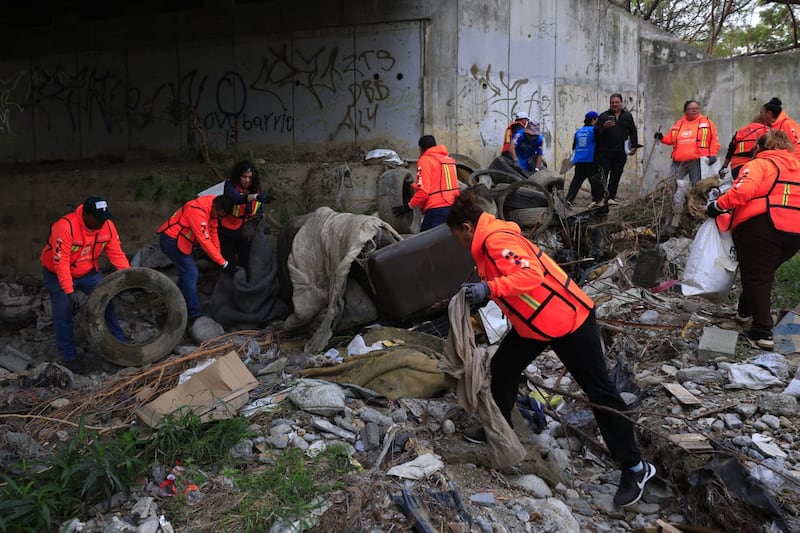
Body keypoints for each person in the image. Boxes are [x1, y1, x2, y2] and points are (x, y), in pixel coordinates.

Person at [448, 190, 656, 507]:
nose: (459, 245)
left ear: (466, 228)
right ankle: (498, 430)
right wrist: (485, 292)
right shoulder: (489, 246)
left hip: (569, 321)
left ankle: (635, 467)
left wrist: (489, 288)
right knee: (503, 368)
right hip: (536, 326)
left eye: (457, 238)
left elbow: (530, 274)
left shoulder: (495, 241)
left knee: (600, 393)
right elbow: (513, 285)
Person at [707, 130, 800, 349]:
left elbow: (742, 191)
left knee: (756, 276)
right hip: (795, 233)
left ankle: (762, 331)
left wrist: (717, 206)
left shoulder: (760, 164)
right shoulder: (796, 167)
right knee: (761, 273)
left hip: (764, 226)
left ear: (761, 147)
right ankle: (744, 310)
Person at [41, 197, 130, 374]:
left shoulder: (107, 225)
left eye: (104, 218)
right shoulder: (65, 226)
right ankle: (70, 357)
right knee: (63, 312)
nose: (102, 222)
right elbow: (61, 262)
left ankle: (120, 345)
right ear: (86, 215)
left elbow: (116, 253)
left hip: (88, 272)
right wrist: (69, 291)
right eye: (97, 218)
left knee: (106, 303)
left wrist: (130, 277)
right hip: (57, 274)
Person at [157, 195, 235, 323]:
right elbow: (205, 241)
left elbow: (213, 231)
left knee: (187, 275)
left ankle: (173, 302)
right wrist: (223, 263)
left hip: (181, 242)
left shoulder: (213, 207)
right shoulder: (197, 212)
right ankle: (195, 316)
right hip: (172, 241)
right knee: (191, 273)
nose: (220, 219)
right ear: (216, 207)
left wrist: (219, 258)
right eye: (220, 216)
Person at [656, 99, 720, 231]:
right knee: (671, 188)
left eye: (697, 108)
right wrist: (662, 137)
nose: (695, 110)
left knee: (698, 190)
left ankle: (697, 220)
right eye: (691, 109)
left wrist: (713, 154)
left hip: (696, 162)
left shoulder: (707, 123)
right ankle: (670, 221)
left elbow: (714, 140)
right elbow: (670, 139)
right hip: (678, 162)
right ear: (685, 111)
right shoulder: (679, 124)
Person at [394, 135, 460, 231]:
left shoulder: (425, 160)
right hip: (453, 206)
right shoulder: (448, 160)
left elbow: (423, 192)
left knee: (425, 243)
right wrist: (413, 185)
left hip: (436, 209)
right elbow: (440, 184)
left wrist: (408, 206)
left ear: (421, 148)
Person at [219, 160, 273, 274]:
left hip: (245, 232)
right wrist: (255, 197)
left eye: (249, 177)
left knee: (246, 264)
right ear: (238, 176)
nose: (247, 180)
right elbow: (237, 198)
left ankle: (244, 286)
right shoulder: (229, 186)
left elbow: (259, 210)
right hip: (227, 231)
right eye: (244, 177)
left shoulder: (257, 189)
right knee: (228, 265)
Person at [594, 94, 639, 206]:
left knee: (616, 174)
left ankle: (611, 197)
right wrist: (604, 127)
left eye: (617, 102)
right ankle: (600, 198)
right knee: (603, 175)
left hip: (620, 152)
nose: (614, 104)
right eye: (612, 102)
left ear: (621, 103)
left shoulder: (627, 116)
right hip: (605, 152)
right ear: (610, 103)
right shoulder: (603, 116)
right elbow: (596, 133)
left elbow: (632, 131)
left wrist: (634, 146)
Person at [566, 111, 603, 207]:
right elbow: (599, 145)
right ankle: (597, 200)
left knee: (576, 181)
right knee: (594, 181)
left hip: (579, 160)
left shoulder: (578, 132)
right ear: (594, 120)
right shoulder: (594, 130)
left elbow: (574, 147)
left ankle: (569, 199)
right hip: (590, 160)